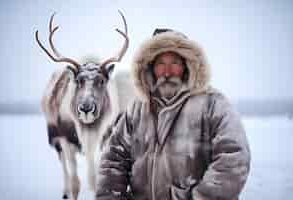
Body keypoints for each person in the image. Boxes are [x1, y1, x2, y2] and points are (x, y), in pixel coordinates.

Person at [95, 28, 251, 200]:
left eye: (175, 63)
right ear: (149, 67)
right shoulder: (137, 109)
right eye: (160, 63)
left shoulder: (212, 103)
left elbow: (234, 158)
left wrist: (203, 197)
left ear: (187, 65)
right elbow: (113, 159)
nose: (167, 72)